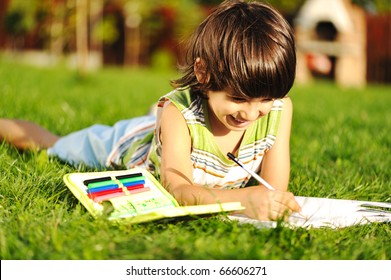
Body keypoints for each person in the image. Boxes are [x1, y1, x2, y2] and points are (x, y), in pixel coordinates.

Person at [0, 0, 301, 221]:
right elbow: (178, 190)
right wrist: (242, 200)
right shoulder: (179, 115)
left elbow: (273, 189)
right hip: (132, 144)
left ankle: (157, 125)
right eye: (238, 99)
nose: (251, 113)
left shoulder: (278, 109)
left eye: (265, 99)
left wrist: (269, 201)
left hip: (174, 133)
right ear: (204, 73)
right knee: (54, 145)